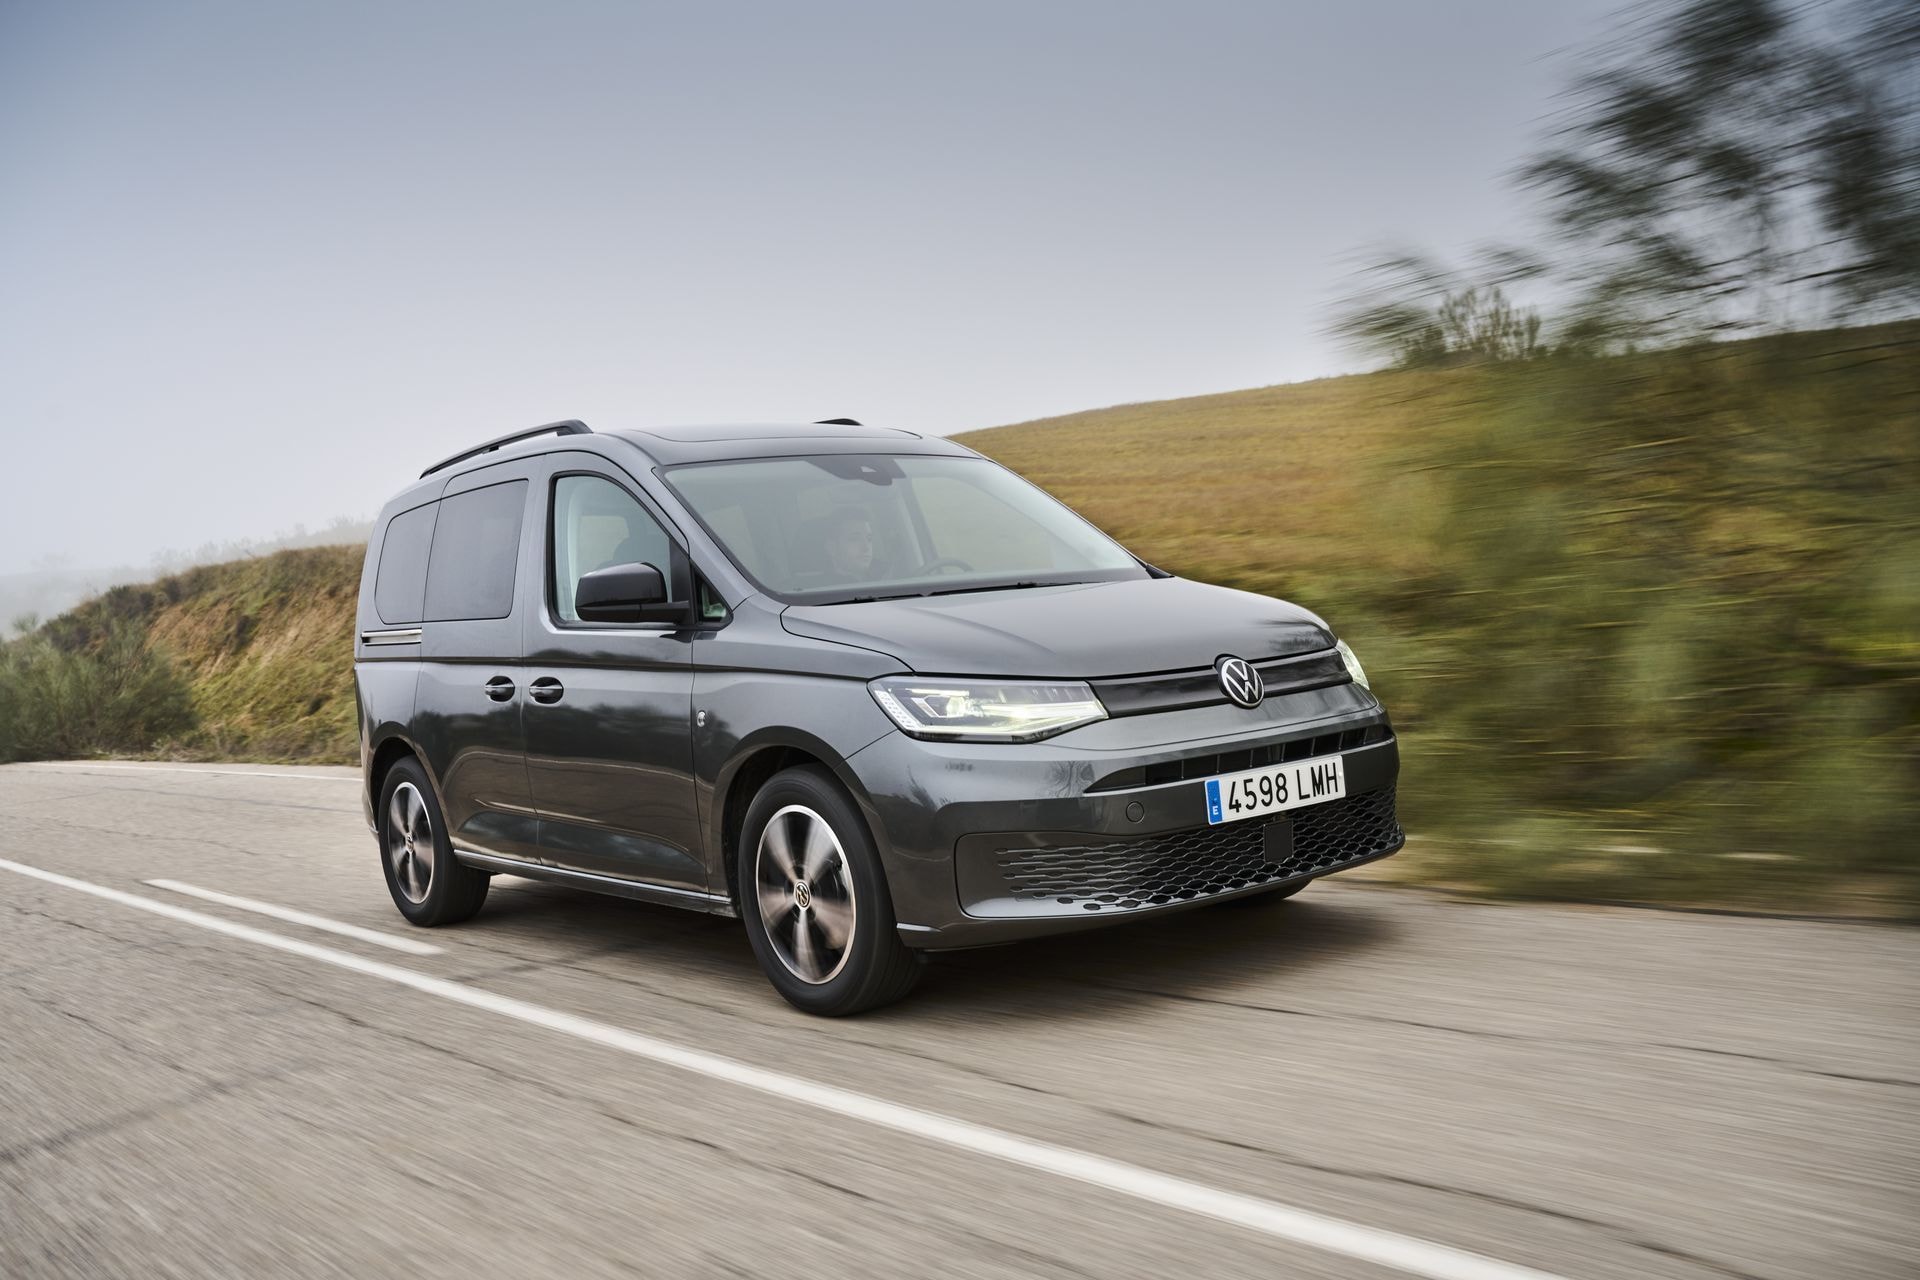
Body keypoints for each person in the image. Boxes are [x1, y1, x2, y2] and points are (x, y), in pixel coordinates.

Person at [824, 506, 875, 580]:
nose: (866, 548)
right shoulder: (822, 589)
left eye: (869, 539)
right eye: (854, 539)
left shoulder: (888, 576)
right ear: (831, 548)